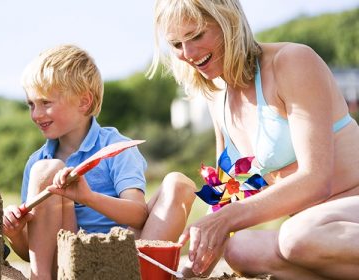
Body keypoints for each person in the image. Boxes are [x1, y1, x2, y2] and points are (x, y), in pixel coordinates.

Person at [148, 0, 359, 278]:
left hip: (344, 210)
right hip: (317, 234)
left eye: (196, 35)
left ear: (229, 22)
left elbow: (317, 180)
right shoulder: (217, 97)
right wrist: (191, 269)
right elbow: (227, 196)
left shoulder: (292, 62)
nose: (188, 53)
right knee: (241, 250)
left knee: (296, 237)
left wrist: (226, 219)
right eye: (176, 44)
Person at [2, 44, 197, 279]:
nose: (36, 114)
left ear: (84, 102)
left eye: (46, 103)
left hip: (121, 260)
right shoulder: (38, 163)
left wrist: (88, 197)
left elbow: (138, 214)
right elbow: (29, 252)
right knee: (47, 169)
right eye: (31, 105)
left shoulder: (115, 147)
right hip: (67, 266)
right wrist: (14, 233)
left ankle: (145, 274)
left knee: (179, 183)